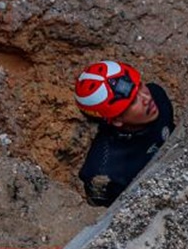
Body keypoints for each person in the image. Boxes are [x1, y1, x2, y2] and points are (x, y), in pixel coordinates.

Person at [73, 60, 176, 206]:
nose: (147, 98)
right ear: (116, 120)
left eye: (140, 86)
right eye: (133, 101)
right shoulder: (104, 172)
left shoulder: (157, 96)